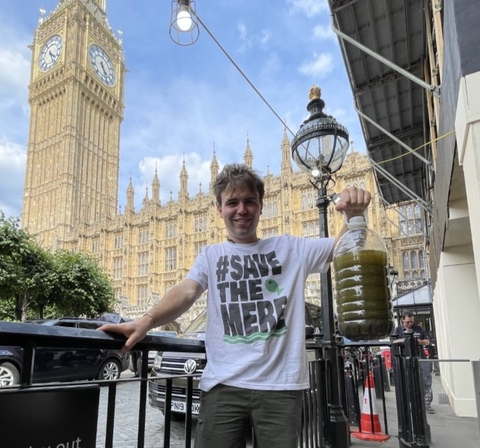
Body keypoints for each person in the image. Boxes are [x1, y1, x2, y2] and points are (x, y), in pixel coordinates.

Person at [99, 163, 371, 448]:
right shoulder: (212, 255)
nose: (241, 210)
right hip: (223, 387)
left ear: (261, 206)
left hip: (280, 388)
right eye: (232, 202)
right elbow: (187, 290)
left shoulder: (291, 249)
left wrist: (353, 217)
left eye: (249, 201)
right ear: (219, 209)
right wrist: (147, 320)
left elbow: (342, 248)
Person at [394, 312, 434, 414]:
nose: (410, 324)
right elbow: (394, 342)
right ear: (403, 320)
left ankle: (427, 403)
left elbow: (427, 341)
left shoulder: (418, 328)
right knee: (408, 382)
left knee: (426, 380)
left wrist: (420, 342)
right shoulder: (398, 329)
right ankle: (411, 403)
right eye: (407, 322)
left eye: (411, 322)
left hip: (420, 357)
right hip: (406, 358)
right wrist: (406, 340)